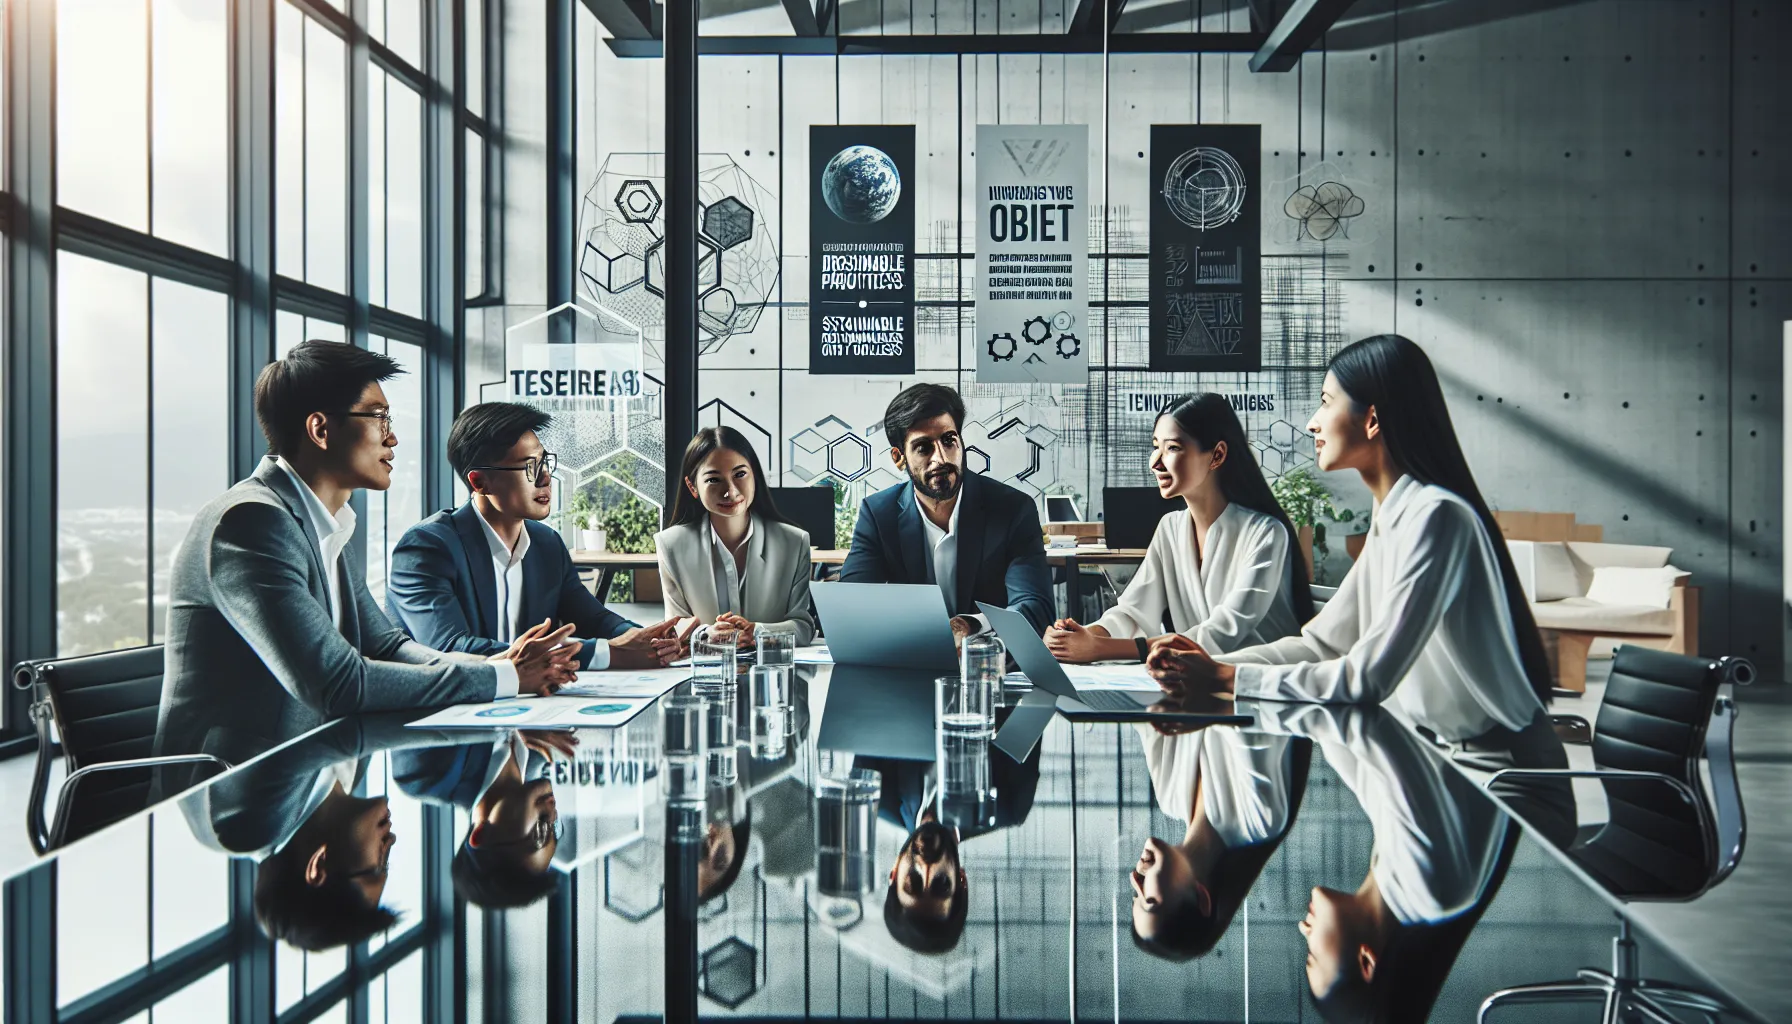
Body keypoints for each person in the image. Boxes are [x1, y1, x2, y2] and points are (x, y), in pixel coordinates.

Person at [155, 342, 580, 766]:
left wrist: (495, 665)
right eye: (379, 418)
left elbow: (387, 646)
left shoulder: (324, 521)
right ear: (320, 430)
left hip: (318, 773)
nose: (392, 437)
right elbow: (337, 683)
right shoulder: (251, 523)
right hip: (237, 795)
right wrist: (499, 676)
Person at [1145, 334, 1556, 744]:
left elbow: (1367, 677)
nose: (1312, 422)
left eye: (1326, 402)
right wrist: (1204, 663)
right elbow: (1321, 644)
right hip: (1441, 757)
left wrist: (1223, 675)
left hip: (1504, 774)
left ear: (1372, 420)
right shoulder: (1394, 514)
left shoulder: (1436, 517)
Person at [386, 402, 674, 671]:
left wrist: (646, 639)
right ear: (479, 481)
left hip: (531, 703)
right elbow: (450, 648)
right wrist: (606, 652)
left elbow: (593, 618)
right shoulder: (427, 548)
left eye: (544, 461)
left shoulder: (546, 543)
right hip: (447, 715)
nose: (546, 477)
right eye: (529, 467)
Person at [1046, 392, 1312, 665]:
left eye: (1172, 448)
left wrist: (1100, 649)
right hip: (1198, 681)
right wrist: (1077, 637)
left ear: (1217, 455)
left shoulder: (1265, 532)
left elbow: (1223, 633)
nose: (1155, 463)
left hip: (1261, 684)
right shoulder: (1170, 528)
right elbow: (1133, 610)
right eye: (1155, 447)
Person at [840, 384, 1053, 638]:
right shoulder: (878, 514)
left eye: (948, 440)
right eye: (923, 448)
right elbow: (850, 608)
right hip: (910, 660)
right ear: (899, 458)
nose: (941, 459)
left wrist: (970, 625)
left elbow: (1036, 607)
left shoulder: (1013, 509)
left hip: (987, 663)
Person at [1128, 722, 1312, 961]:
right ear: (1201, 898)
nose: (1135, 878)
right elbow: (1252, 706)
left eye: (1135, 895)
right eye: (1149, 900)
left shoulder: (1169, 798)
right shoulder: (1259, 818)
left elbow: (1145, 712)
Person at [654, 426, 818, 650]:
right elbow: (674, 626)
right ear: (693, 487)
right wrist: (706, 634)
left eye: (740, 474)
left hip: (772, 675)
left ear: (755, 477)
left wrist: (756, 632)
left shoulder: (794, 542)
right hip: (707, 674)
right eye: (714, 480)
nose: (730, 491)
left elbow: (803, 627)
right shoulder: (671, 545)